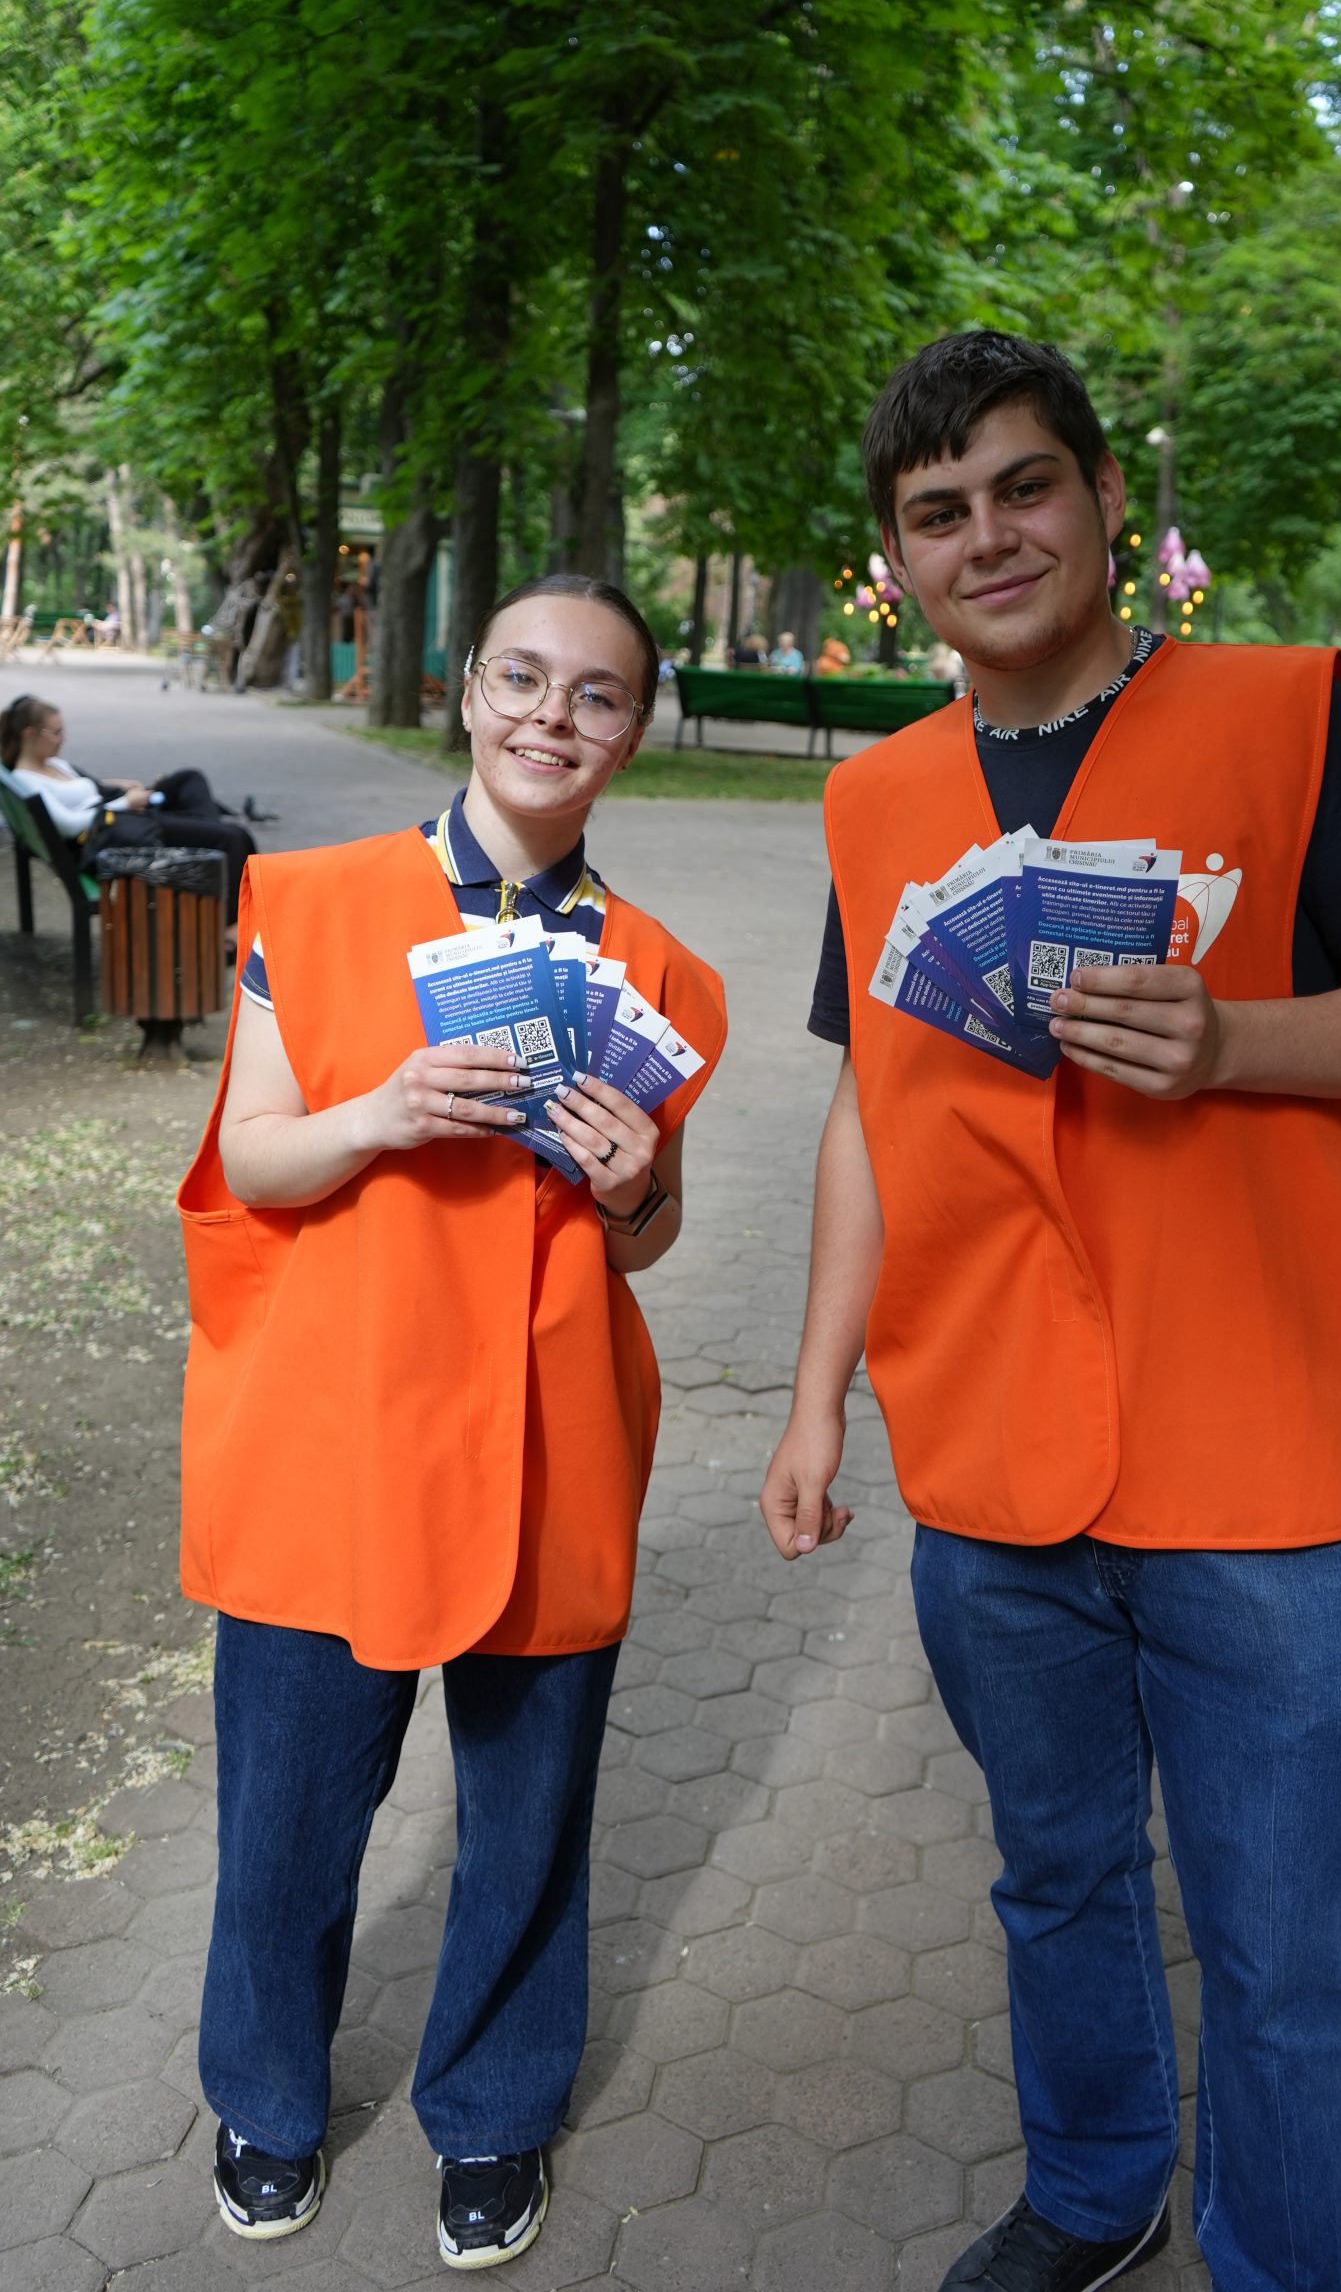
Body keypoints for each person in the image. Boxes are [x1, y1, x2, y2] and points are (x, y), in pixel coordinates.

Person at [759, 333, 1341, 2292]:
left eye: (1024, 486)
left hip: (1263, 1462)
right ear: (897, 563)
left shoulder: (1281, 715)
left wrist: (1237, 1040)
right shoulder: (878, 801)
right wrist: (814, 1399)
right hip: (991, 1459)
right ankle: (1095, 2190)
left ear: (1102, 504)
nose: (987, 536)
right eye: (939, 512)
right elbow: (868, 1108)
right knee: (1056, 1875)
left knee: (1276, 1954)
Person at [177, 574, 725, 2271]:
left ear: (632, 734)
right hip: (329, 1432)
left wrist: (634, 1194)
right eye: (522, 677)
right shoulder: (313, 900)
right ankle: (264, 2096)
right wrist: (383, 1112)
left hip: (549, 1437)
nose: (552, 715)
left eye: (596, 694)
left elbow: (651, 1238)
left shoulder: (663, 974)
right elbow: (249, 1154)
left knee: (527, 1819)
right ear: (468, 690)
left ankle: (491, 2114)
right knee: (287, 1810)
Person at [0, 695, 259, 928]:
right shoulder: (27, 780)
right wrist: (125, 803)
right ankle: (229, 926)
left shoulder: (53, 763)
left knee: (189, 779)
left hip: (123, 817)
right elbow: (68, 825)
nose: (63, 739)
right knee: (234, 837)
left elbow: (86, 788)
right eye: (56, 733)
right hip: (115, 832)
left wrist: (121, 786)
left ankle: (205, 839)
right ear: (29, 734)